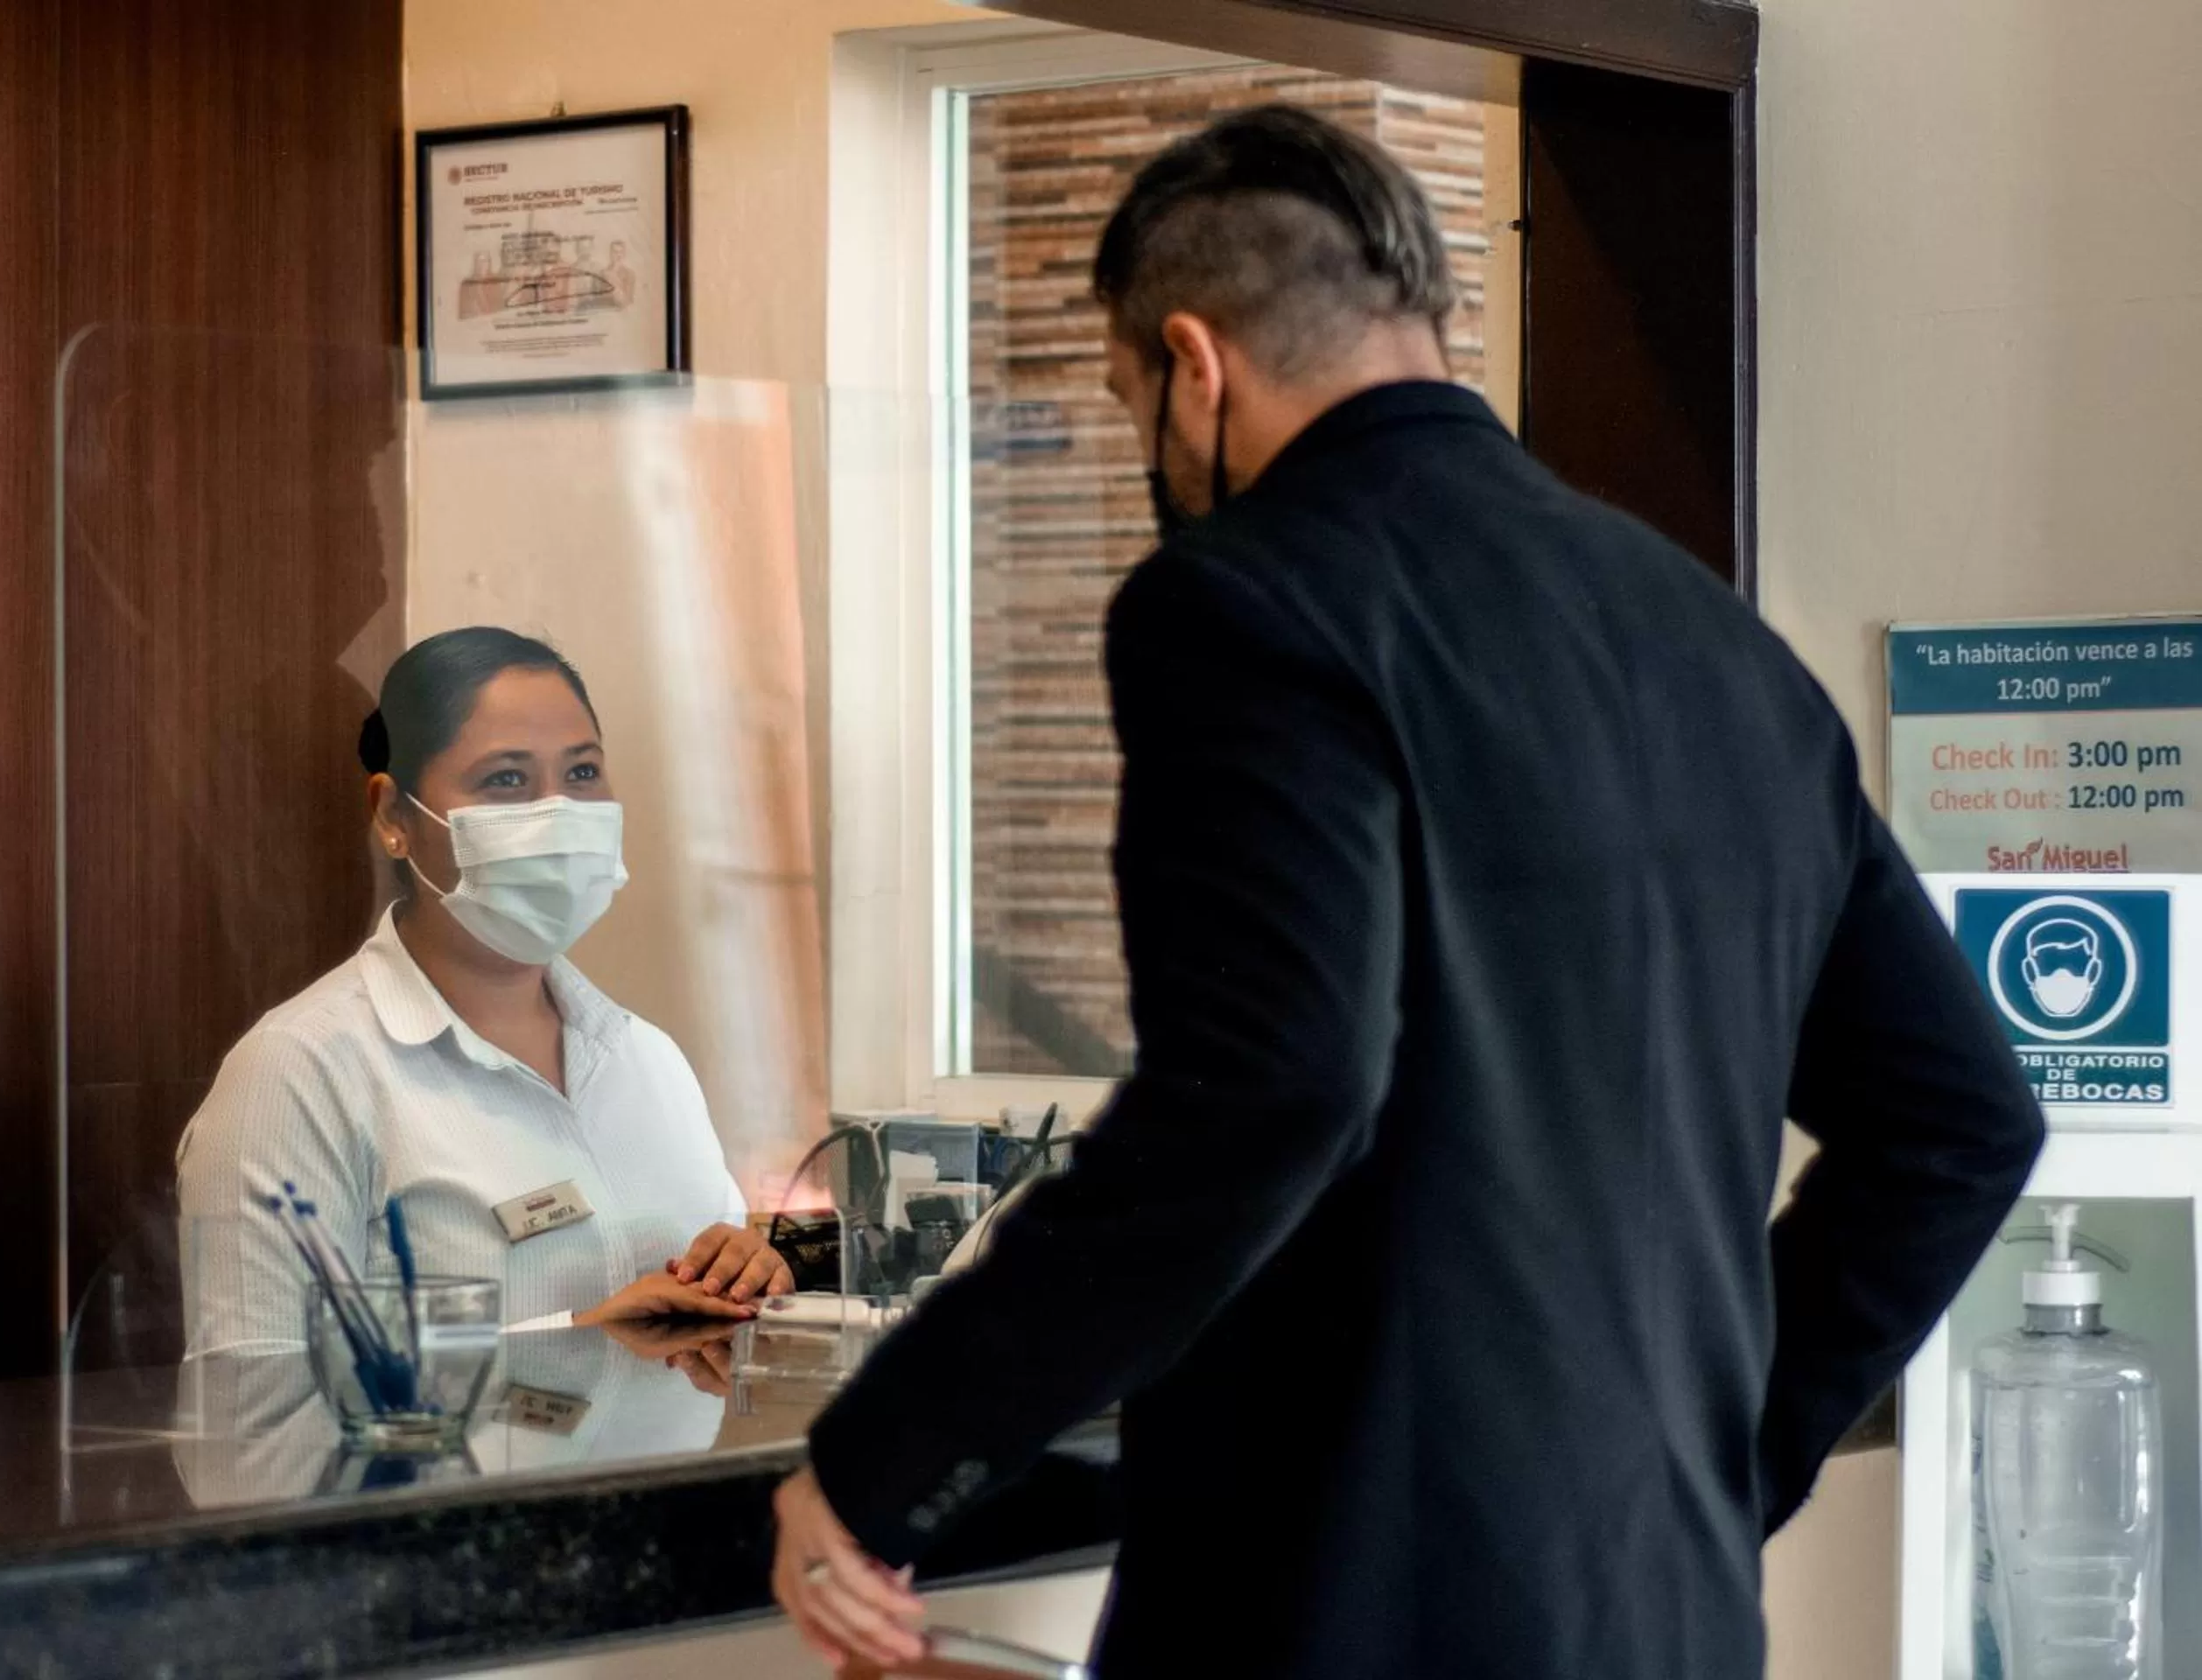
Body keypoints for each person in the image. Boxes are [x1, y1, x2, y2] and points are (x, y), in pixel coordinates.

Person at [772, 108, 2044, 1678]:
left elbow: (1267, 1093)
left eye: (1129, 408)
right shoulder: (1714, 641)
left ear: (1195, 364)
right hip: (1670, 1618)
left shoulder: (1245, 601)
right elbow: (1963, 1118)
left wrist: (888, 1455)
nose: (1150, 458)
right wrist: (1720, 1458)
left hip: (1349, 1617)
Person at [179, 627, 789, 1362]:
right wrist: (580, 1338)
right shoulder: (299, 1075)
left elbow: (718, 1318)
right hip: (442, 1482)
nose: (559, 812)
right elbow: (253, 1395)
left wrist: (749, 1275)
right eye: (506, 779)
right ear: (394, 818)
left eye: (584, 772)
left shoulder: (647, 1060)